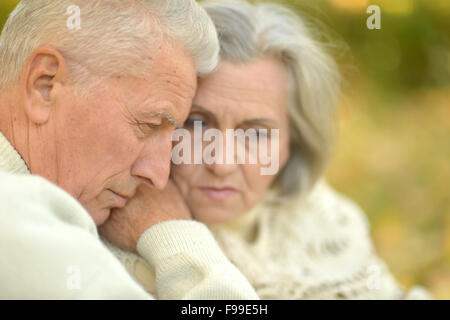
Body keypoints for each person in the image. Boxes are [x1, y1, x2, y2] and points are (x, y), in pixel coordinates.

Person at [107, 0, 432, 299]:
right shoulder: (107, 234)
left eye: (257, 134)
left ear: (295, 141)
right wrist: (171, 239)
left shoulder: (328, 220)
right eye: (197, 124)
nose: (221, 163)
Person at [0, 0, 259, 300]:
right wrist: (174, 236)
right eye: (149, 125)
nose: (160, 178)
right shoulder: (16, 214)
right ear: (44, 84)